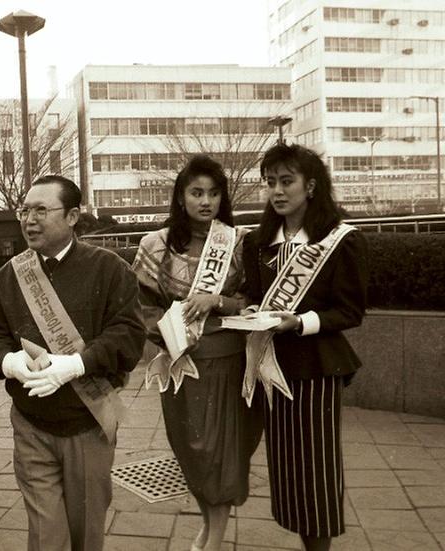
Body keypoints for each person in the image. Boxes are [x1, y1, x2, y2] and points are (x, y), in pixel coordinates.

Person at [0, 175, 146, 551]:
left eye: (42, 210)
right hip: (31, 422)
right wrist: (9, 361)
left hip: (88, 421)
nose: (29, 220)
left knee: (86, 528)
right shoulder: (8, 276)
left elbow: (128, 336)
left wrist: (75, 364)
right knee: (45, 530)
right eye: (25, 210)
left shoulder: (109, 268)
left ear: (73, 216)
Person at [132, 156, 263, 551]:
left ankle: (215, 540)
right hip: (178, 362)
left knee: (219, 452)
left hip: (226, 361)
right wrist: (166, 336)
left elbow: (256, 303)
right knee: (189, 449)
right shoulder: (155, 245)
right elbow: (140, 307)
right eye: (196, 192)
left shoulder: (239, 243)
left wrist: (217, 300)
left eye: (214, 193)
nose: (206, 201)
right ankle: (208, 525)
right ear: (181, 197)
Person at [241, 144, 368, 551]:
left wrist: (300, 322)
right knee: (288, 469)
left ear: (310, 186)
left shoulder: (340, 240)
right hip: (271, 367)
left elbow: (349, 311)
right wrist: (248, 311)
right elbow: (254, 297)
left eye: (286, 181)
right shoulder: (260, 242)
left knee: (317, 468)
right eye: (270, 182)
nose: (277, 191)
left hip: (316, 368)